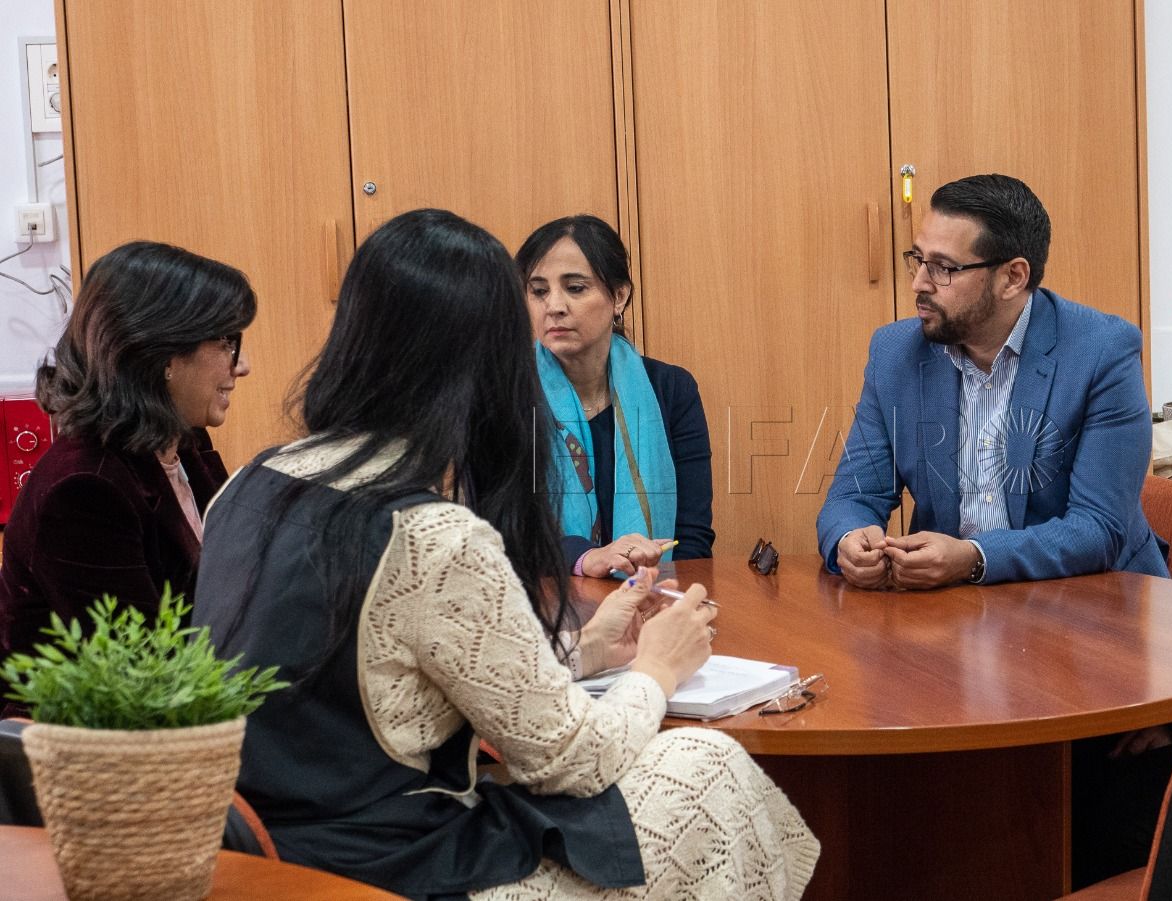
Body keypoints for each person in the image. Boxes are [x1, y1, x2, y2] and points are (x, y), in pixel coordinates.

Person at [192, 209, 816, 900]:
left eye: (574, 288)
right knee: (708, 763)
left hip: (264, 860)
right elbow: (574, 762)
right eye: (532, 299)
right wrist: (657, 669)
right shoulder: (432, 534)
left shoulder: (247, 484)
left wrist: (587, 651)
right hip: (396, 871)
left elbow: (402, 671)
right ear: (485, 360)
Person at [816, 174, 1167, 588]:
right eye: (918, 259)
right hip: (956, 607)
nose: (919, 283)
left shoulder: (1102, 352)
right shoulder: (895, 354)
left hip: (1095, 600)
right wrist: (850, 538)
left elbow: (1098, 529)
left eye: (943, 268)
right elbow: (853, 496)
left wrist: (974, 557)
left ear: (1013, 277)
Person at [0, 241, 253, 689]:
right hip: (81, 726)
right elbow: (145, 671)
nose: (242, 366)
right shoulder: (84, 488)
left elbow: (232, 584)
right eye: (226, 343)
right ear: (162, 355)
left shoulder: (184, 441)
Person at [515, 215, 713, 579]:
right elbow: (498, 532)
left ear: (619, 296)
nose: (554, 305)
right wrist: (584, 558)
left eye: (575, 288)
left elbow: (692, 538)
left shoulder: (671, 389)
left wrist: (653, 593)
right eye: (539, 291)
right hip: (542, 598)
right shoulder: (503, 395)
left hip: (653, 594)